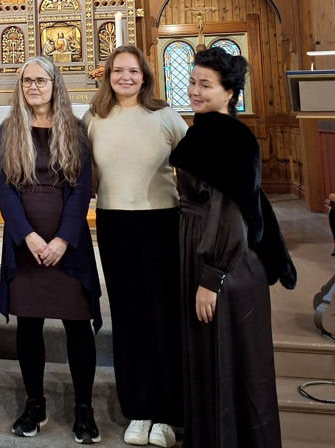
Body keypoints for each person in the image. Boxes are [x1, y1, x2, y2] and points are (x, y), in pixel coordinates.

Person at [169, 47, 296, 448]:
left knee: (226, 361)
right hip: (205, 249)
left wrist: (211, 277)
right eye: (192, 82)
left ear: (230, 93)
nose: (194, 90)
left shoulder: (229, 138)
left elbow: (231, 214)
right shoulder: (206, 129)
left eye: (205, 85)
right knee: (210, 360)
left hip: (226, 263)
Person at [82, 45, 187, 447]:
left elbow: (193, 167)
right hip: (114, 222)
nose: (126, 77)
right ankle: (138, 410)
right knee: (126, 316)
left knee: (162, 314)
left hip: (160, 222)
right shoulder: (95, 117)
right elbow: (85, 172)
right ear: (108, 75)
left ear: (145, 76)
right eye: (118, 71)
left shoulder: (164, 116)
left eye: (134, 71)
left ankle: (166, 413)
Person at [0, 56, 102, 444]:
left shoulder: (74, 129)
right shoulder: (10, 130)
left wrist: (61, 240)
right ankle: (35, 405)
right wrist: (28, 237)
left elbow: (81, 190)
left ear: (55, 84)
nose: (34, 87)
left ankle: (84, 410)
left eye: (41, 80)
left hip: (67, 244)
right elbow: (5, 190)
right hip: (26, 245)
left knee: (77, 325)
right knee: (29, 325)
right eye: (27, 81)